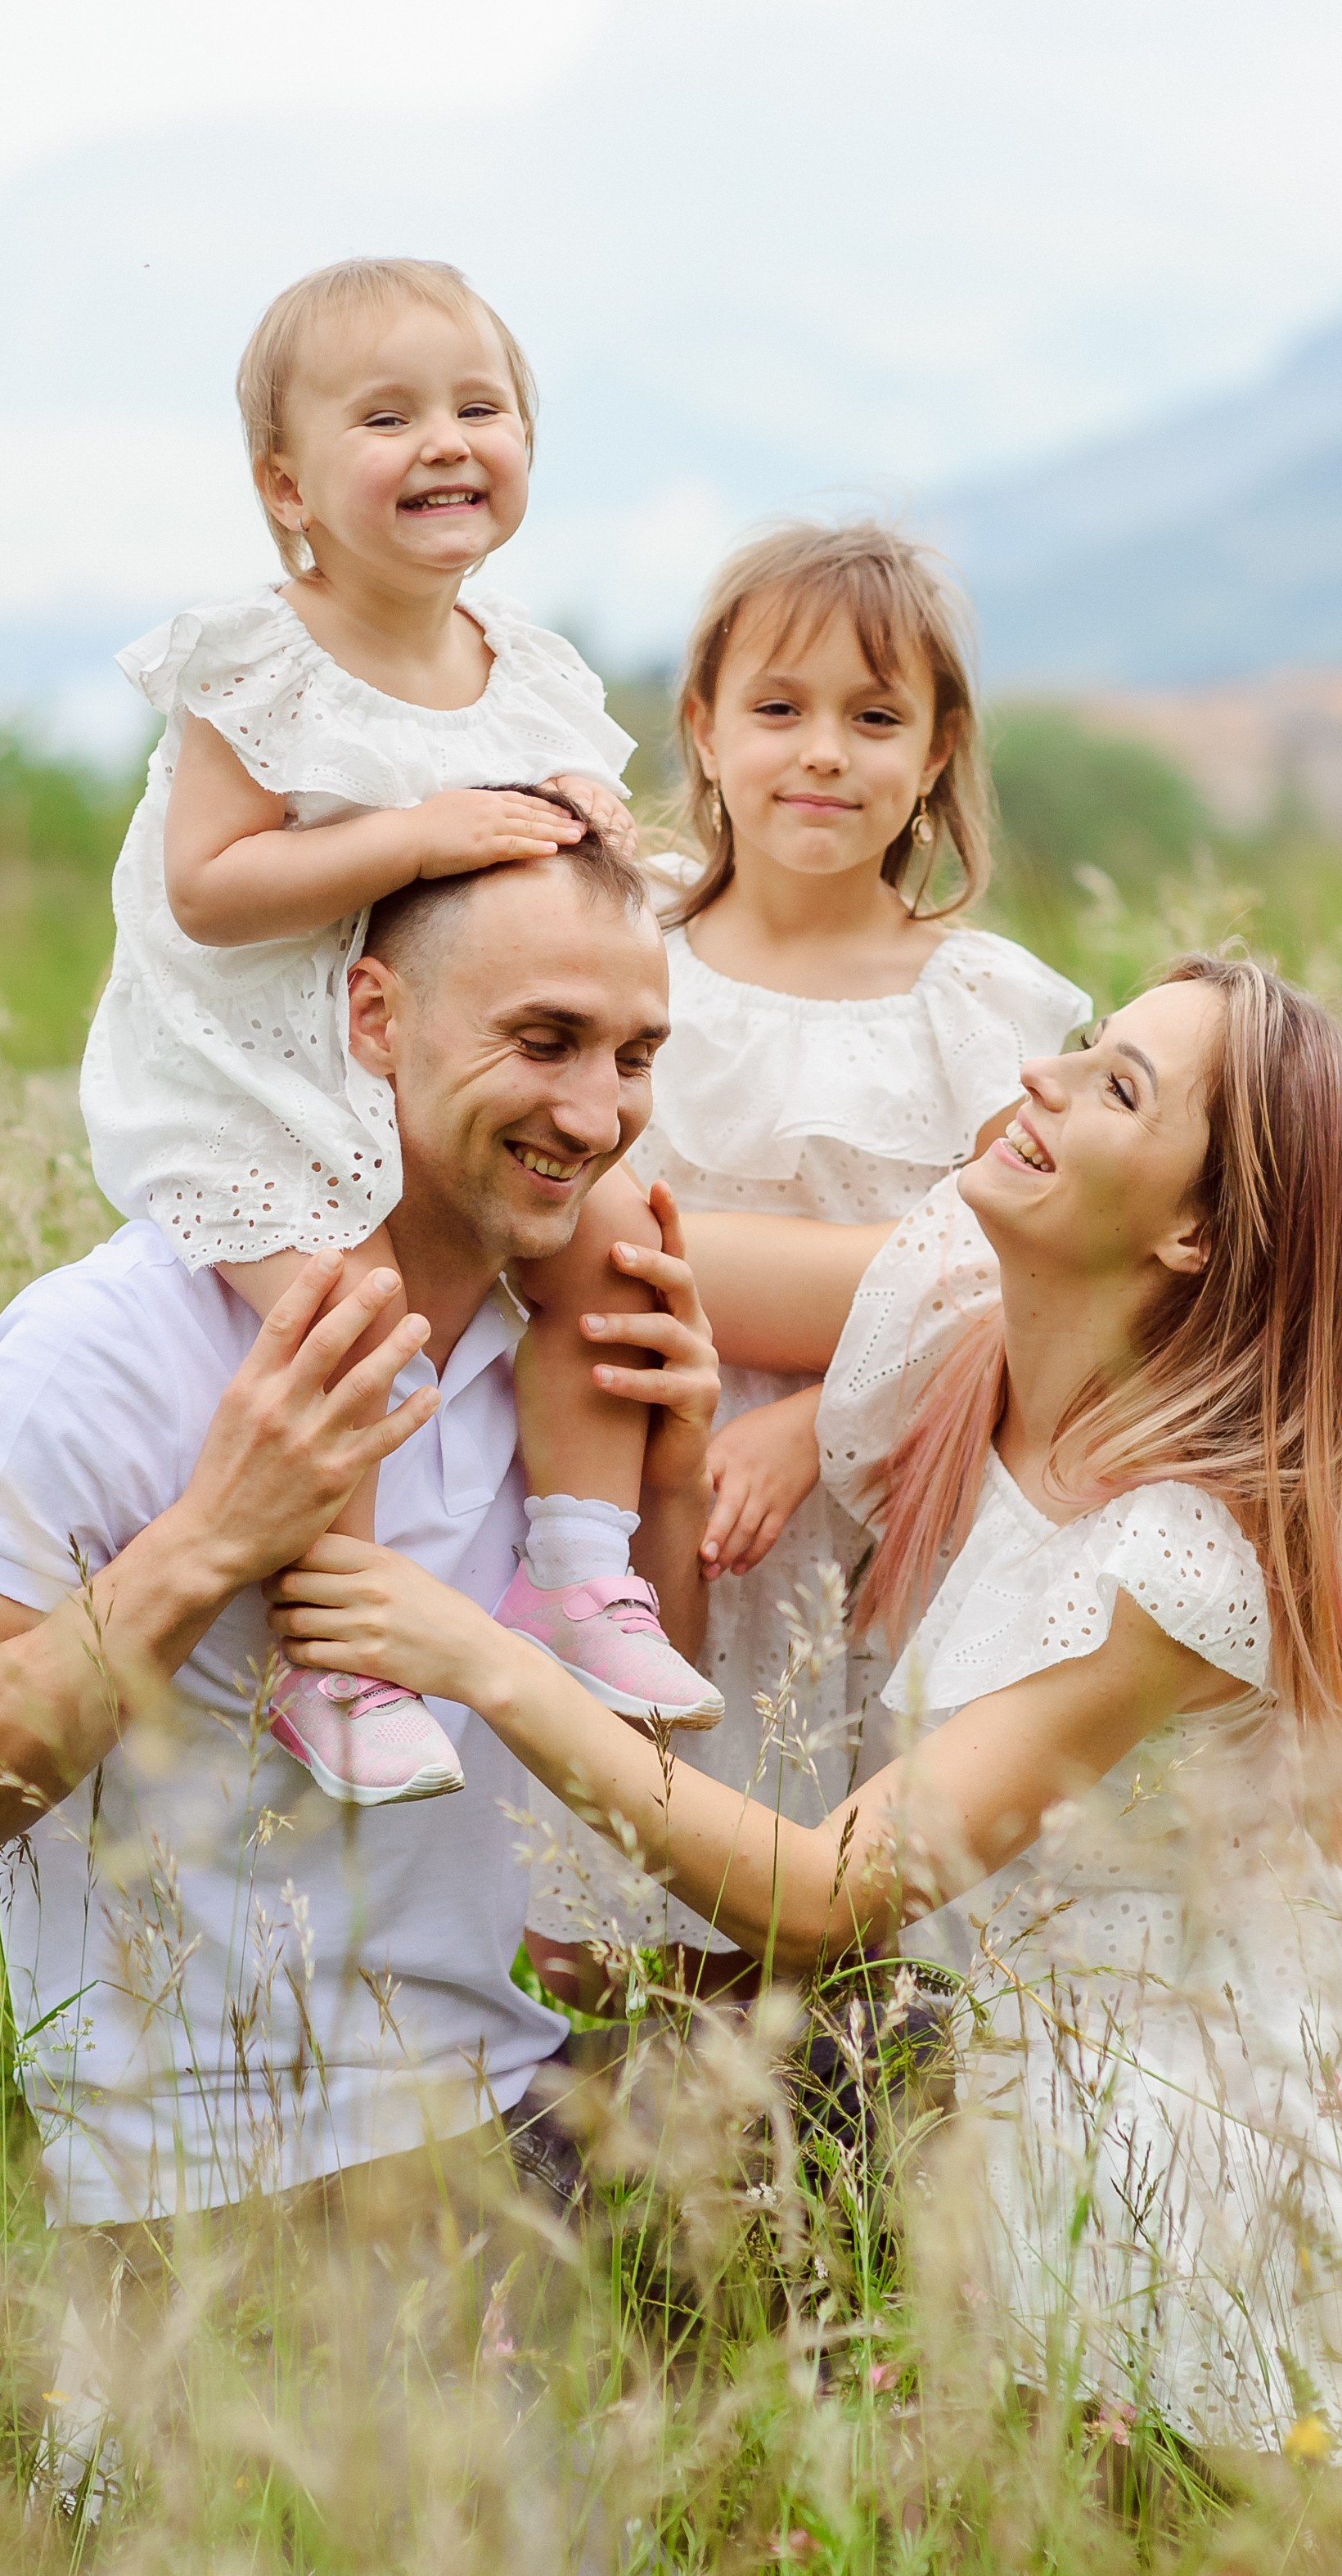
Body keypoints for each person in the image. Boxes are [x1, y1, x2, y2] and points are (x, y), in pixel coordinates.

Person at [265, 954, 1342, 2521]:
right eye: (1082, 1047)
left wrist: (482, 1659)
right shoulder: (961, 1298)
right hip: (969, 2053)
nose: (1045, 1080)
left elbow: (822, 1896)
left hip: (1178, 2123)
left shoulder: (1173, 1565)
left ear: (1191, 1231)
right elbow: (595, 1235)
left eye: (1118, 1089)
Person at [0, 818, 722, 2235]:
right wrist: (208, 1541)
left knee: (907, 2057)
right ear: (373, 1017)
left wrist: (668, 1489)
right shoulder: (114, 1341)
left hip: (502, 2097)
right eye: (543, 1041)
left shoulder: (563, 1352)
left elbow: (628, 1801)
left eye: (634, 1055)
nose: (596, 1112)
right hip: (211, 2186)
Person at [79, 254, 720, 1811]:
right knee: (351, 1300)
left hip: (436, 1065)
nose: (445, 440)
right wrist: (415, 834)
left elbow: (558, 862)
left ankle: (575, 1569)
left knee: (614, 1243)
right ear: (284, 483)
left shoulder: (533, 670)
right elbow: (217, 891)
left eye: (478, 407)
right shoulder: (255, 662)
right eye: (388, 416)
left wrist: (583, 824)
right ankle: (341, 1648)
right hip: (259, 1074)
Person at [525, 522, 1088, 1996]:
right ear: (700, 728)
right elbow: (566, 1226)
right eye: (777, 710)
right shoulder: (626, 941)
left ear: (937, 748)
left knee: (860, 1914)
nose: (822, 753)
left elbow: (1049, 1302)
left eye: (875, 716)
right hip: (641, 1478)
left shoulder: (984, 1008)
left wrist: (811, 1421)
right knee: (637, 1923)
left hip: (892, 1506)